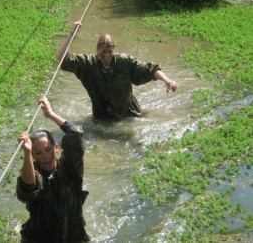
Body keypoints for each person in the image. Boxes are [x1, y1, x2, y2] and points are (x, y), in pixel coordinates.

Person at [57, 21, 178, 120]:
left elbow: (150, 70)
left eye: (109, 52)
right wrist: (73, 33)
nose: (106, 56)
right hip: (102, 115)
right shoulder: (88, 64)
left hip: (129, 113)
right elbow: (62, 57)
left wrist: (167, 81)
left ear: (114, 49)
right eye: (103, 52)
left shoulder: (125, 61)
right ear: (97, 50)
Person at [16, 96, 90, 243]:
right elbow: (29, 187)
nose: (44, 156)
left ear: (56, 147)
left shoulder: (70, 168)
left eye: (48, 150)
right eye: (37, 153)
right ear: (33, 155)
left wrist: (50, 114)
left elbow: (75, 134)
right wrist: (26, 152)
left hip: (74, 236)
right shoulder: (34, 173)